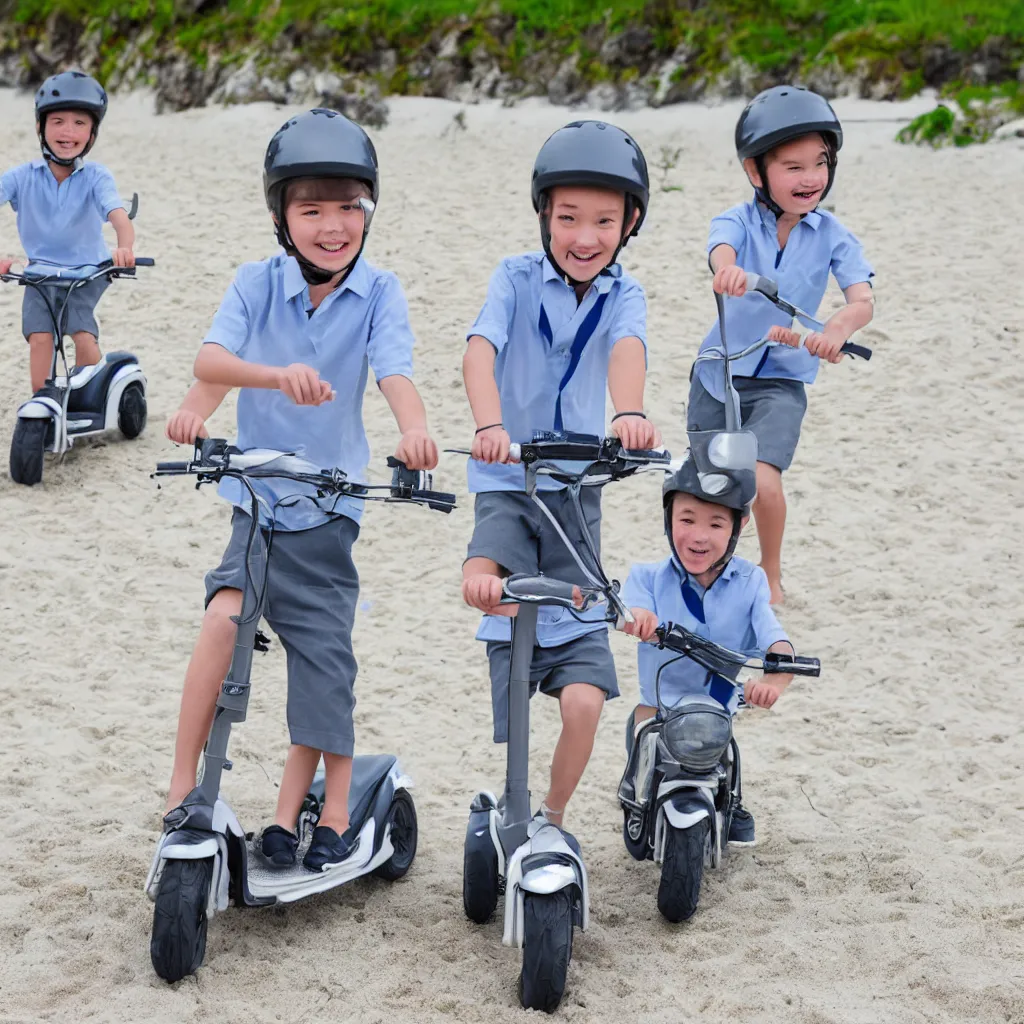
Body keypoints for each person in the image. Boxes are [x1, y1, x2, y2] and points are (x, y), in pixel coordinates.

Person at [163, 108, 438, 871]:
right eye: (311, 208)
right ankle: (183, 785)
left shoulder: (381, 292)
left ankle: (317, 809)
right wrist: (199, 408)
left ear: (368, 212)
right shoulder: (257, 282)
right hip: (255, 500)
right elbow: (213, 359)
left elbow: (395, 374)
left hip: (328, 510)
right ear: (283, 216)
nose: (331, 224)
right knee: (222, 622)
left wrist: (413, 431)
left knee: (322, 658)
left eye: (348, 206)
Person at [461, 120, 660, 829]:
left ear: (628, 222)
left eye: (604, 221)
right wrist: (490, 426)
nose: (585, 236)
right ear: (545, 212)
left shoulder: (624, 293)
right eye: (569, 217)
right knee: (495, 575)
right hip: (509, 478)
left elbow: (627, 349)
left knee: (584, 701)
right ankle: (511, 803)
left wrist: (630, 412)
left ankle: (552, 812)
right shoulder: (514, 278)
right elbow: (480, 350)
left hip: (576, 490)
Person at [688, 85, 874, 604]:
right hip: (717, 373)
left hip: (782, 380)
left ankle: (770, 572)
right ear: (755, 172)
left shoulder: (834, 234)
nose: (811, 177)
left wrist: (837, 328)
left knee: (764, 480)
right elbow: (719, 249)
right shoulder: (737, 220)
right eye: (793, 167)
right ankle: (711, 575)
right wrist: (727, 271)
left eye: (819, 163)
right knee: (714, 492)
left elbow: (862, 300)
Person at [621, 450, 795, 845]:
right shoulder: (646, 577)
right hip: (662, 704)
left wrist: (774, 680)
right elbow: (632, 609)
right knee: (643, 734)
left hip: (716, 705)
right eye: (686, 520)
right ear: (668, 520)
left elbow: (775, 638)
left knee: (725, 752)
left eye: (716, 524)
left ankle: (730, 800)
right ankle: (636, 795)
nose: (699, 536)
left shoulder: (751, 582)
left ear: (739, 526)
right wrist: (639, 619)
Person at [0, 71, 135, 393]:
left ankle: (90, 391)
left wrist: (124, 247)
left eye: (79, 123)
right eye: (57, 121)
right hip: (40, 272)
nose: (68, 131)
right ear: (40, 127)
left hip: (88, 270)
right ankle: (41, 399)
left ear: (92, 134)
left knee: (80, 328)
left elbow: (118, 216)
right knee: (39, 335)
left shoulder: (96, 177)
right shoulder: (21, 177)